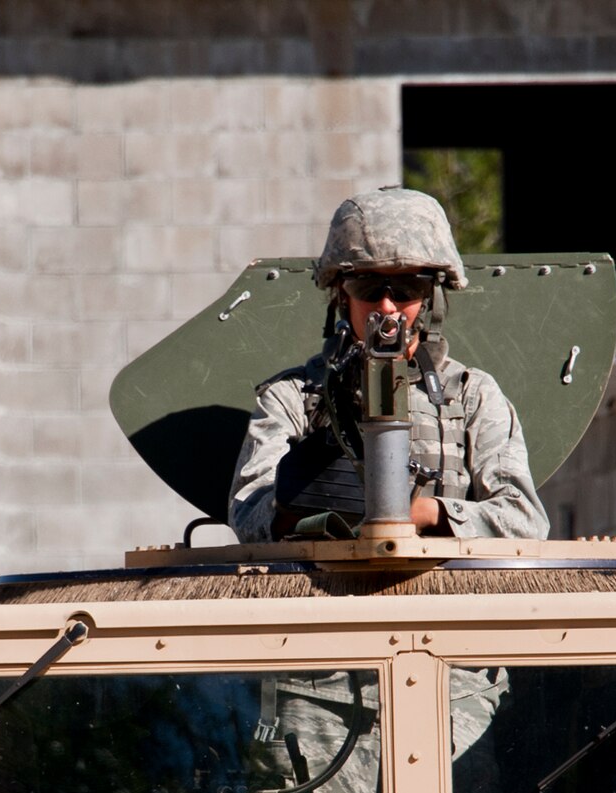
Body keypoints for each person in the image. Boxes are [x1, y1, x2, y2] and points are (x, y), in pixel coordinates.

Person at [227, 187, 546, 541]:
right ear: (341, 295)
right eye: (367, 286)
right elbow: (247, 516)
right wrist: (298, 500)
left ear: (431, 298)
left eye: (407, 287)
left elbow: (524, 521)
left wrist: (425, 513)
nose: (387, 307)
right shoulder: (293, 398)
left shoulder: (472, 395)